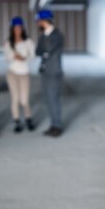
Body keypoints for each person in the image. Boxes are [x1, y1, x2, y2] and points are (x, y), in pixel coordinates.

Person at [3, 16, 36, 133]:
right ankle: (16, 121)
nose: (18, 30)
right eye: (15, 28)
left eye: (19, 28)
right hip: (12, 73)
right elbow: (6, 57)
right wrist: (13, 56)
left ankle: (28, 118)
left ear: (22, 29)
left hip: (24, 73)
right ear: (12, 29)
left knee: (24, 100)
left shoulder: (28, 42)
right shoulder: (8, 43)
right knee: (15, 99)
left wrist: (24, 58)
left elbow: (32, 56)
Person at [35, 9, 64, 137]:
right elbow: (38, 51)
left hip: (54, 72)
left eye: (39, 21)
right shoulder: (43, 35)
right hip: (45, 71)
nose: (37, 24)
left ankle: (57, 125)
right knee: (49, 99)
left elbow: (48, 49)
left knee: (54, 99)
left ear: (44, 21)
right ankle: (53, 124)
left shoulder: (57, 35)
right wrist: (44, 52)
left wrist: (45, 51)